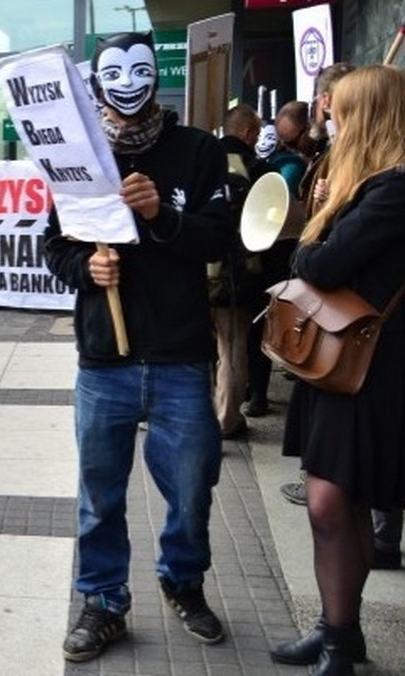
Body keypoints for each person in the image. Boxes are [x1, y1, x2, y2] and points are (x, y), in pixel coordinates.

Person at [45, 31, 231, 663]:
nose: (127, 85)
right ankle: (103, 602)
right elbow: (55, 247)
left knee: (193, 482)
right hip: (105, 361)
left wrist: (162, 218)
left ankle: (182, 579)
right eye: (114, 75)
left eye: (139, 71)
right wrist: (83, 271)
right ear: (97, 84)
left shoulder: (199, 151)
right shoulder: (77, 159)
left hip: (180, 356)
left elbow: (221, 238)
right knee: (100, 495)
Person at [269, 65, 405, 675]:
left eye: (340, 110)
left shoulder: (393, 190)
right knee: (335, 504)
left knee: (329, 503)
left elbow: (321, 265)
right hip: (348, 361)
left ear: (369, 116)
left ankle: (338, 634)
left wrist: (310, 236)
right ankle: (337, 633)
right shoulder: (370, 185)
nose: (331, 120)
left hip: (373, 368)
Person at [279, 62, 356, 508]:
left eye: (325, 103)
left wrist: (324, 217)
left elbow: (320, 259)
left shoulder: (384, 184)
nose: (322, 114)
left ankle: (383, 529)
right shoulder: (327, 153)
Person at [245, 102, 309, 421]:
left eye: (292, 140)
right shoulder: (290, 163)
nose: (288, 146)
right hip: (280, 250)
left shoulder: (289, 163)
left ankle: (258, 392)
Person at [209, 104, 270, 439]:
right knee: (232, 349)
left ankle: (198, 415)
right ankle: (226, 419)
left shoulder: (202, 160)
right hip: (237, 274)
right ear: (248, 133)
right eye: (257, 133)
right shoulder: (257, 168)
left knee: (198, 350)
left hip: (197, 271)